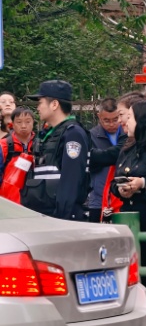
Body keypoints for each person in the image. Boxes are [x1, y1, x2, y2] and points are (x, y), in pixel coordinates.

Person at [110, 99, 146, 295]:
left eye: (131, 117)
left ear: (143, 120)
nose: (126, 122)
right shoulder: (128, 147)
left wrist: (141, 184)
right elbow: (113, 183)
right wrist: (122, 189)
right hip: (129, 218)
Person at [22, 80, 91, 221]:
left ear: (54, 104)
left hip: (61, 218)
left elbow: (71, 180)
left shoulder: (73, 134)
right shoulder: (50, 134)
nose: (38, 108)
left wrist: (61, 220)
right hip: (45, 215)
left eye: (40, 102)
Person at [86, 98, 123, 222]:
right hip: (98, 199)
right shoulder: (91, 136)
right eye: (106, 120)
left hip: (122, 197)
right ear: (99, 116)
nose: (111, 124)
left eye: (115, 119)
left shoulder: (127, 133)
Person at [0, 107, 35, 204]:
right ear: (12, 124)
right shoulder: (3, 145)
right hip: (10, 202)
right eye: (19, 122)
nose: (23, 126)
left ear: (33, 123)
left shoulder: (40, 144)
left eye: (28, 122)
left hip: (36, 201)